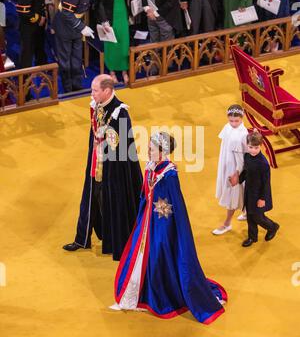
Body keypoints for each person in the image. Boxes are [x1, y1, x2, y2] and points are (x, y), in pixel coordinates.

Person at [110, 131, 227, 323]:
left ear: (163, 151)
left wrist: (164, 230)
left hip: (163, 223)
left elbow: (174, 205)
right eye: (149, 147)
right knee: (140, 255)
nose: (148, 151)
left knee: (159, 254)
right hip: (148, 220)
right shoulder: (151, 166)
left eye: (152, 149)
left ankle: (161, 295)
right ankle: (140, 293)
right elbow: (146, 194)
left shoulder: (169, 174)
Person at [63, 75, 143, 260]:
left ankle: (117, 242)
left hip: (113, 170)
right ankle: (82, 239)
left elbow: (122, 149)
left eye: (95, 90)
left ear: (107, 91)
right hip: (96, 163)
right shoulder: (97, 105)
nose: (91, 94)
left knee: (112, 204)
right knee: (89, 200)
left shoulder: (120, 113)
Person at [52, 0, 107, 92]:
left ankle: (77, 86)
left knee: (77, 57)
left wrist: (104, 21)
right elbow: (66, 13)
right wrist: (81, 27)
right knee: (65, 59)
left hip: (76, 25)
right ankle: (68, 89)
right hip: (65, 26)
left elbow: (95, 3)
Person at [230, 131, 280, 247]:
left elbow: (266, 183)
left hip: (260, 194)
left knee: (257, 216)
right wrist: (238, 180)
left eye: (256, 147)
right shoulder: (247, 156)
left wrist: (262, 198)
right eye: (250, 147)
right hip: (249, 191)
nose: (253, 150)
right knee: (250, 216)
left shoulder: (263, 163)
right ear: (247, 145)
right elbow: (246, 172)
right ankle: (252, 237)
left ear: (261, 145)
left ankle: (272, 227)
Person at [212, 104, 248, 236]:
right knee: (242, 192)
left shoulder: (242, 135)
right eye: (231, 120)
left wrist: (237, 174)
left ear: (242, 118)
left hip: (234, 169)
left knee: (232, 194)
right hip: (226, 163)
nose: (233, 123)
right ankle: (246, 213)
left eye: (236, 121)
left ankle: (227, 224)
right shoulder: (227, 127)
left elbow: (241, 158)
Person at [98, 0, 133, 84]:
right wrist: (104, 20)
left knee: (124, 42)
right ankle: (112, 71)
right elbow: (99, 3)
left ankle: (124, 70)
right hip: (110, 17)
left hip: (123, 15)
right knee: (112, 43)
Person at [16, 0, 47, 69]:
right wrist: (39, 19)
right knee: (27, 53)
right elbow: (23, 11)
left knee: (39, 46)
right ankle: (25, 80)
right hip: (29, 25)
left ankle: (42, 68)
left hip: (37, 22)